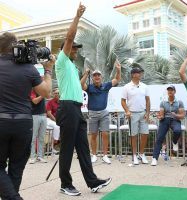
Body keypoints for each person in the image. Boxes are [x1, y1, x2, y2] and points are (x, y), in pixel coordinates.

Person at [55, 3, 111, 196]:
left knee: (84, 148)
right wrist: (77, 17)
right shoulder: (62, 60)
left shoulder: (71, 65)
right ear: (66, 49)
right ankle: (65, 184)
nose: (76, 50)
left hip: (76, 109)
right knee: (67, 149)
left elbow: (77, 87)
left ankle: (93, 181)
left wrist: (85, 74)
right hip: (67, 108)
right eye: (73, 48)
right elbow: (69, 37)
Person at [0, 32, 54, 200]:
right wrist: (48, 70)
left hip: (1, 122)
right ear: (16, 47)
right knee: (16, 167)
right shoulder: (28, 68)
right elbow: (46, 92)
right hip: (23, 123)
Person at [80, 61, 121, 164]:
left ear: (101, 77)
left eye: (98, 75)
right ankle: (94, 154)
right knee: (93, 135)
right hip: (92, 113)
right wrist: (86, 74)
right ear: (92, 78)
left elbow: (117, 79)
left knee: (105, 134)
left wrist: (118, 70)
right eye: (94, 76)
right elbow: (81, 85)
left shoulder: (106, 86)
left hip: (104, 113)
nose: (97, 77)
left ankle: (105, 155)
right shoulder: (89, 87)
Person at [121, 67, 150, 165]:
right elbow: (123, 101)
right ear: (133, 74)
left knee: (145, 133)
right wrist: (127, 111)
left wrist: (147, 113)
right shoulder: (126, 87)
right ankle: (134, 155)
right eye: (138, 73)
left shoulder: (144, 86)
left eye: (140, 73)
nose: (140, 74)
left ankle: (141, 154)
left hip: (143, 113)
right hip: (132, 114)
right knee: (133, 135)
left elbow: (147, 100)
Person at [151, 85, 185, 166]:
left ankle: (174, 142)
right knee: (159, 138)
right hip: (165, 120)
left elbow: (182, 115)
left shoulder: (179, 102)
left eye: (172, 90)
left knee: (177, 131)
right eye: (169, 90)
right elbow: (162, 115)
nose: (170, 91)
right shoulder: (163, 102)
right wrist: (159, 116)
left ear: (175, 92)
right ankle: (154, 158)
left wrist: (176, 115)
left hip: (175, 120)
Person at [29, 90, 48, 164]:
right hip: (34, 115)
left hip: (43, 115)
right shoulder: (32, 91)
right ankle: (32, 157)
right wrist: (44, 94)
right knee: (33, 137)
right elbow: (35, 101)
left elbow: (49, 95)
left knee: (41, 137)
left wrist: (44, 93)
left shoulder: (42, 91)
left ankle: (40, 156)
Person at [46, 88, 60, 153]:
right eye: (55, 93)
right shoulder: (50, 102)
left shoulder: (62, 102)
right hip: (49, 119)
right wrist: (56, 120)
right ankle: (54, 143)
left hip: (59, 120)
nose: (57, 94)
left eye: (58, 93)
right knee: (56, 126)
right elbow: (49, 114)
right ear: (53, 94)